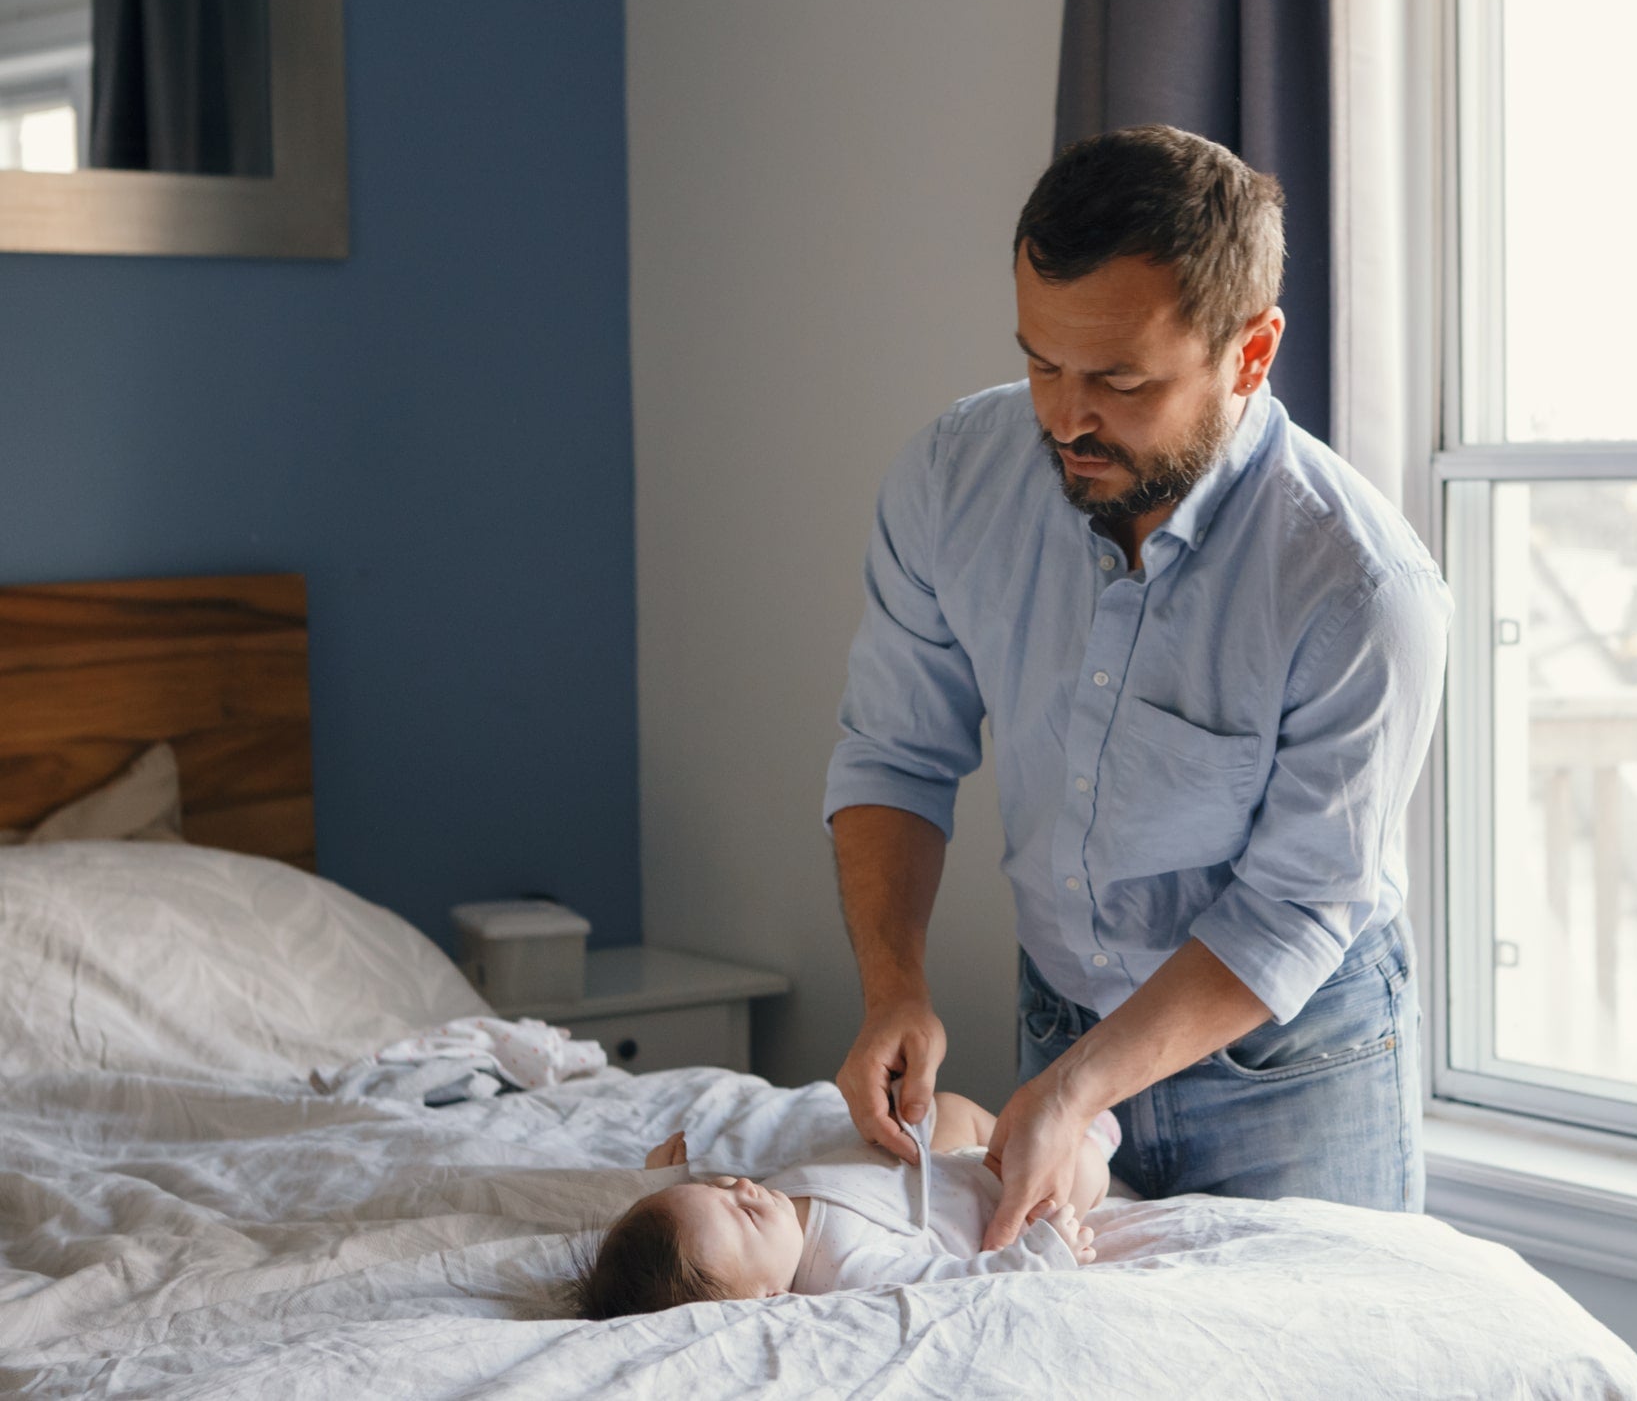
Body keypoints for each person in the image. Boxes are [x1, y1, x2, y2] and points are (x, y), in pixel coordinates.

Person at [824, 124, 1451, 1253]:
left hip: (1287, 1064)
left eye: (1118, 379)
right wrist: (893, 988)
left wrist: (1078, 1090)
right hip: (1059, 1014)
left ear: (1250, 356)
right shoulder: (950, 481)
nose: (1066, 417)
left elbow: (1294, 906)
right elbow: (895, 756)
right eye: (1041, 362)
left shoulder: (1361, 589)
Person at [567, 1092, 1116, 1319]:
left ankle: (1026, 1132)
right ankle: (1099, 1135)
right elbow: (949, 1281)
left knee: (947, 1106)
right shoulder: (845, 1271)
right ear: (768, 1296)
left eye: (722, 1187)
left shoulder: (764, 1224)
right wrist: (1040, 1253)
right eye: (744, 1212)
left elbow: (694, 1226)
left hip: (930, 1164)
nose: (744, 1189)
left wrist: (670, 1185)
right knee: (1083, 1168)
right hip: (992, 1205)